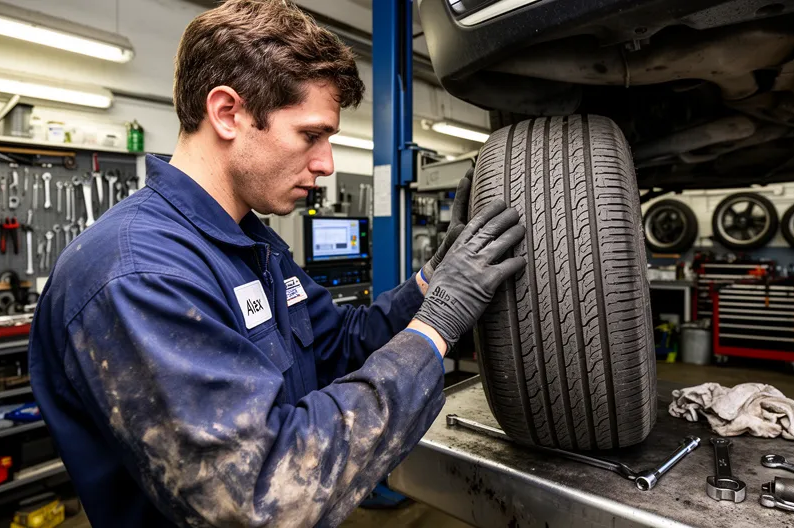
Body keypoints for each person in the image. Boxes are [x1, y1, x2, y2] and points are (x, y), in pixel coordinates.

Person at [27, 0, 525, 526]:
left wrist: (430, 283)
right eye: (311, 135)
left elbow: (341, 346)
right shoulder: (139, 274)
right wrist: (437, 326)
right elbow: (262, 496)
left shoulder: (251, 244)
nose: (326, 163)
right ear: (228, 113)